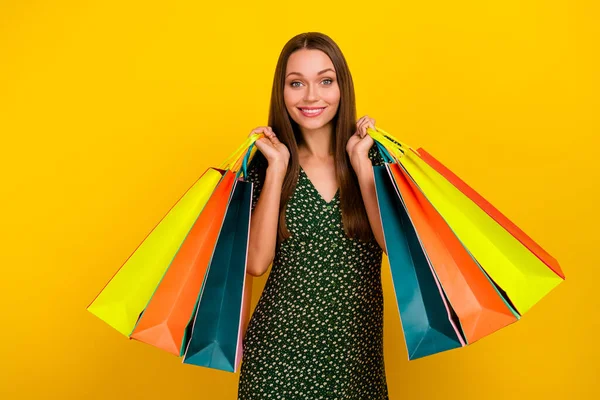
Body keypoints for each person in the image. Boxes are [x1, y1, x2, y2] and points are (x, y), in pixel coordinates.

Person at [237, 31, 389, 400]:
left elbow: (396, 249)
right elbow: (255, 263)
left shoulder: (374, 160)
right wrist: (277, 168)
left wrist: (361, 166)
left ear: (342, 86)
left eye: (325, 80)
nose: (311, 96)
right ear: (282, 91)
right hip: (277, 361)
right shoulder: (263, 166)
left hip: (356, 362)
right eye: (296, 83)